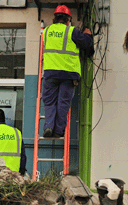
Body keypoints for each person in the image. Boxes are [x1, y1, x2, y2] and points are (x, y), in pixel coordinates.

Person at [42, 5, 94, 138]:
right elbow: (86, 44)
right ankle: (58, 131)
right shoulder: (72, 31)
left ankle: (48, 126)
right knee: (63, 103)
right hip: (69, 73)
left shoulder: (46, 31)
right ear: (68, 19)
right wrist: (87, 34)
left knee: (49, 102)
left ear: (54, 18)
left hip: (50, 72)